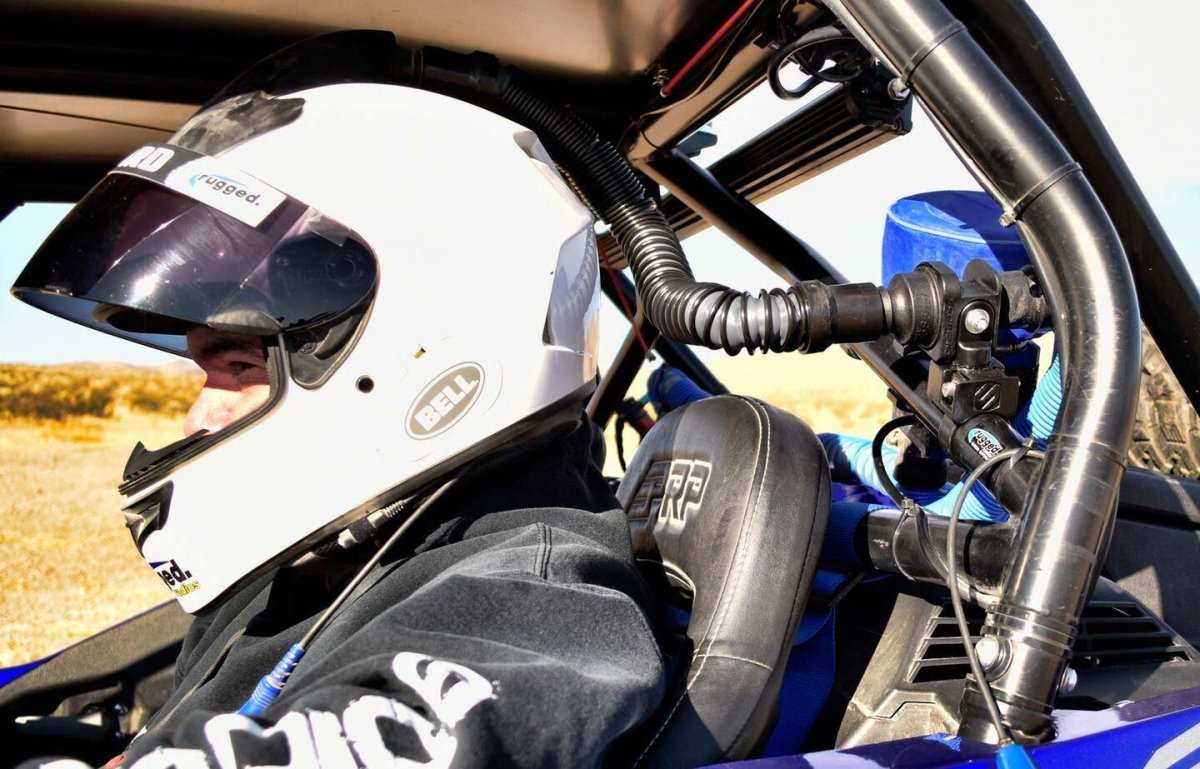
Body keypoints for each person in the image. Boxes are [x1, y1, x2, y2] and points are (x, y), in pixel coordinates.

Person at [11, 72, 664, 768]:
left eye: (237, 367)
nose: (200, 415)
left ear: (410, 347)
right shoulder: (347, 552)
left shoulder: (535, 606)